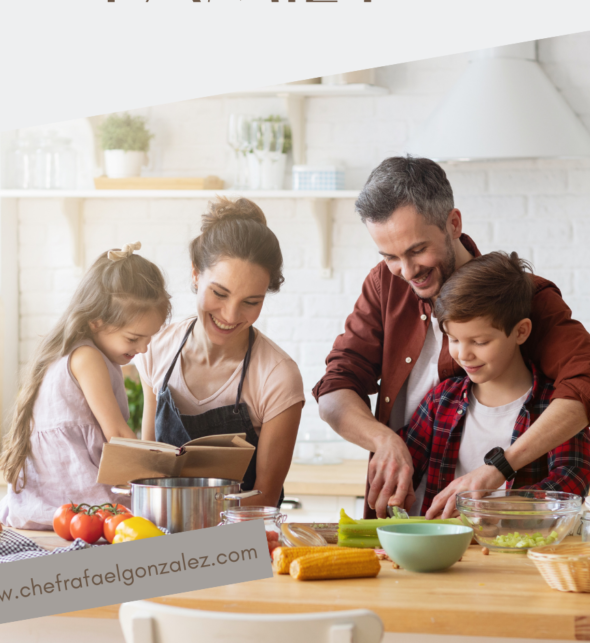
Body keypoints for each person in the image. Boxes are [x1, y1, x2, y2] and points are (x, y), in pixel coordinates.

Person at [314, 156, 590, 518]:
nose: (407, 271)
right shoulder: (385, 283)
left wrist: (499, 471)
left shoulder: (524, 297)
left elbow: (584, 381)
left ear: (453, 223)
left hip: (503, 534)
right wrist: (383, 440)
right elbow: (335, 387)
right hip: (413, 524)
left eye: (416, 250)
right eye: (390, 256)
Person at [138, 197, 304, 507]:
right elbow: (149, 473)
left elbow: (265, 498)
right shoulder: (156, 349)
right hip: (159, 537)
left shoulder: (277, 376)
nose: (230, 315)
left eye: (251, 302)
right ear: (196, 275)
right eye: (219, 293)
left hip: (236, 546)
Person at [0, 243, 171, 529]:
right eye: (133, 338)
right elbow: (116, 433)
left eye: (149, 338)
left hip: (52, 502)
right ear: (96, 322)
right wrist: (156, 478)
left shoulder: (80, 352)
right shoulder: (87, 357)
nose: (143, 348)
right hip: (74, 500)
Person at [400, 251, 590, 513]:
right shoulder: (441, 400)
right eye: (453, 339)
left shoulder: (554, 409)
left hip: (521, 552)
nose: (463, 355)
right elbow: (404, 466)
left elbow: (570, 484)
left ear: (521, 331)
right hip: (443, 552)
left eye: (480, 342)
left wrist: (489, 508)